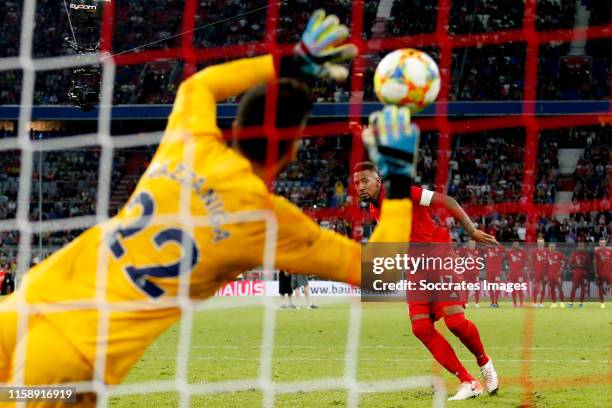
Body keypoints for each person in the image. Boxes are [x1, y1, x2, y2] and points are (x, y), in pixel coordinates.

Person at [0, 10, 417, 403]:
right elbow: (378, 274)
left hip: (26, 306)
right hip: (71, 357)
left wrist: (292, 62)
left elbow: (197, 86)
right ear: (288, 154)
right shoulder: (264, 219)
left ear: (234, 126)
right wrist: (398, 178)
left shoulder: (189, 144)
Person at [353, 155, 499, 401]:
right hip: (417, 268)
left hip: (439, 257)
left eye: (365, 181)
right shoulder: (373, 209)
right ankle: (468, 381)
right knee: (420, 327)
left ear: (378, 181)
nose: (360, 187)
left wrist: (471, 230)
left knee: (455, 323)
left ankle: (485, 364)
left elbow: (447, 201)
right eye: (356, 183)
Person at [567, 241, 590, 308]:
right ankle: (571, 303)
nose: (581, 247)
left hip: (584, 274)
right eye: (579, 246)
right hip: (576, 273)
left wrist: (582, 266)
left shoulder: (586, 256)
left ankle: (581, 303)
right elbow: (570, 264)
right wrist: (575, 265)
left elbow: (589, 266)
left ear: (584, 247)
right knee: (574, 287)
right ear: (577, 247)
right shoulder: (574, 254)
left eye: (582, 246)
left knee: (583, 288)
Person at [461, 239, 482, 307]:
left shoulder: (478, 251)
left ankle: (477, 302)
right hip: (467, 272)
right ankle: (466, 302)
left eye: (473, 244)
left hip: (476, 272)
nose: (472, 245)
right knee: (466, 288)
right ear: (469, 244)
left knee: (477, 287)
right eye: (471, 244)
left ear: (475, 244)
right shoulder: (465, 250)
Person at [506, 241, 527, 307]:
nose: (516, 245)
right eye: (515, 244)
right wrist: (507, 266)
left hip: (520, 273)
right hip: (512, 273)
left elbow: (526, 260)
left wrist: (524, 268)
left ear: (519, 245)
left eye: (517, 244)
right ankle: (514, 303)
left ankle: (521, 303)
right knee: (513, 288)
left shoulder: (522, 252)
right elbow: (506, 260)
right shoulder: (509, 252)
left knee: (519, 288)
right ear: (512, 245)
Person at [546, 243, 566, 308]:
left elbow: (565, 261)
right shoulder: (547, 255)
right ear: (549, 247)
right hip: (550, 275)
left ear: (555, 247)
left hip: (557, 275)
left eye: (553, 246)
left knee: (560, 288)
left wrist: (561, 269)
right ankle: (554, 302)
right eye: (550, 246)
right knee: (552, 289)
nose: (551, 248)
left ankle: (562, 302)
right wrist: (546, 274)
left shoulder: (559, 254)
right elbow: (546, 265)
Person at [594, 237, 612, 308]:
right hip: (600, 272)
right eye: (601, 243)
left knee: (610, 285)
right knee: (600, 287)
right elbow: (595, 263)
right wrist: (595, 272)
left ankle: (607, 290)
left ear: (605, 243)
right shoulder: (597, 252)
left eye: (603, 243)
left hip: (609, 272)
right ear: (599, 243)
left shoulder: (610, 251)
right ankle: (602, 303)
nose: (602, 244)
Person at [531, 237, 548, 307]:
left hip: (544, 273)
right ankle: (535, 302)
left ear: (544, 243)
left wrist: (547, 273)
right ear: (537, 243)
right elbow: (532, 262)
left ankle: (541, 302)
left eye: (542, 242)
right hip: (537, 272)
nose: (540, 243)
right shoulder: (534, 251)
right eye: (539, 242)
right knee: (535, 286)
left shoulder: (547, 251)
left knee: (543, 287)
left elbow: (548, 262)